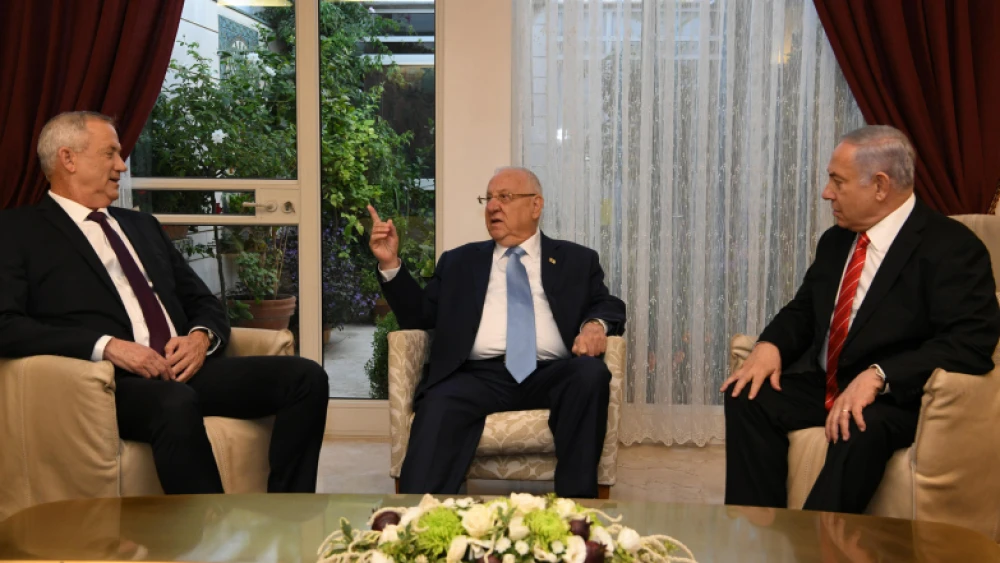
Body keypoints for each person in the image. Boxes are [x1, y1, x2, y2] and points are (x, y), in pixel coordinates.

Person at [0, 111, 329, 494]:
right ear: (68, 158)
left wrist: (200, 339)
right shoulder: (17, 232)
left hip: (184, 371)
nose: (121, 165)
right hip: (109, 385)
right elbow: (6, 324)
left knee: (305, 378)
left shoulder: (142, 226)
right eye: (110, 153)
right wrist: (108, 348)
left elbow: (202, 300)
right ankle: (206, 540)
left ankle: (287, 517)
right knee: (174, 403)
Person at [722, 125, 1000, 513]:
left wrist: (880, 375)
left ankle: (816, 546)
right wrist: (770, 346)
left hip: (895, 398)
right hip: (828, 383)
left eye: (838, 181)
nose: (826, 193)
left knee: (857, 424)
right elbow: (805, 310)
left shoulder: (951, 247)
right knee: (746, 393)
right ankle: (759, 530)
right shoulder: (837, 241)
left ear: (880, 186)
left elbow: (971, 342)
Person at [368, 166, 626, 498]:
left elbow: (608, 304)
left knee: (590, 374)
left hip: (551, 372)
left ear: (535, 206)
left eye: (505, 197)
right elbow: (420, 316)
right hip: (477, 376)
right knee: (438, 404)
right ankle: (417, 519)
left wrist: (595, 326)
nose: (492, 206)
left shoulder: (576, 259)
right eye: (488, 198)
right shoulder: (459, 262)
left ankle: (576, 510)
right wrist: (391, 264)